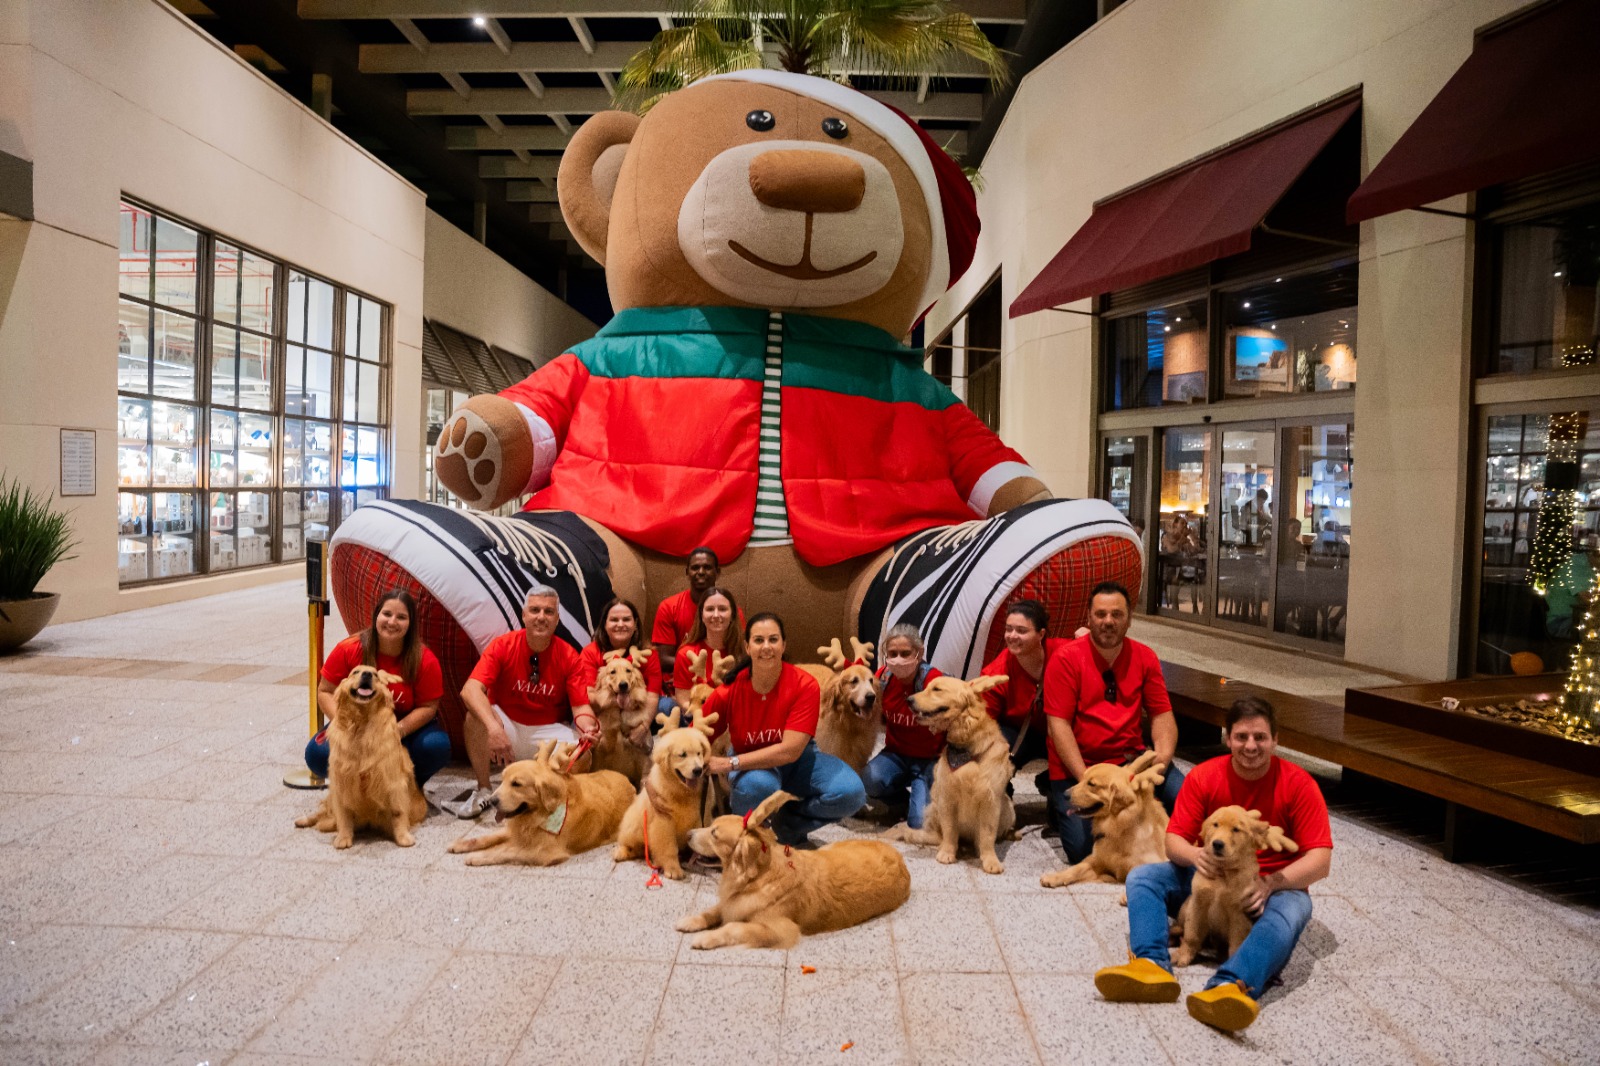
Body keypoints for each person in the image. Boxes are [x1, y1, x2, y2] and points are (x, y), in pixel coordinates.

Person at [1094, 696, 1334, 1033]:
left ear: (1276, 740)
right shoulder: (1205, 776)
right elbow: (1174, 839)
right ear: (1228, 738)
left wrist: (1271, 883)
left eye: (1260, 738)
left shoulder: (1298, 784)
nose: (1251, 746)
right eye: (1241, 737)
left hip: (1269, 886)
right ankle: (1150, 964)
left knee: (1294, 910)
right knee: (1144, 878)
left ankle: (1230, 985)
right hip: (1206, 876)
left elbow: (1320, 861)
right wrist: (1195, 856)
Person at [1043, 581, 1184, 864]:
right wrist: (1089, 782)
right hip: (1080, 768)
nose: (1108, 621)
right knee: (1082, 850)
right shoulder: (1066, 659)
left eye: (1117, 614)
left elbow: (1162, 717)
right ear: (1088, 618)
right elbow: (1058, 726)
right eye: (1101, 614)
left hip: (1130, 764)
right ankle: (1058, 799)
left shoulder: (1145, 657)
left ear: (1129, 619)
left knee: (1187, 800)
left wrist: (1159, 765)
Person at [704, 613, 866, 846]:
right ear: (747, 647)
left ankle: (788, 825)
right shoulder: (728, 691)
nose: (766, 646)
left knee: (851, 793)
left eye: (773, 639)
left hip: (798, 758)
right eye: (758, 640)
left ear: (784, 645)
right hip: (752, 764)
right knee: (759, 786)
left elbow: (790, 751)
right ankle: (746, 837)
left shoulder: (804, 684)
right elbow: (693, 736)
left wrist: (729, 764)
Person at [443, 585, 593, 818]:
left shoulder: (569, 655)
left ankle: (550, 798)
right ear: (524, 615)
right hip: (507, 726)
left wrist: (588, 727)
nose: (541, 617)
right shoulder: (503, 645)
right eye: (534, 610)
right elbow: (470, 690)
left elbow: (581, 707)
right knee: (474, 716)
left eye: (548, 612)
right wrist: (493, 729)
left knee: (584, 754)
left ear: (556, 619)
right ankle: (483, 790)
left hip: (546, 734)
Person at [305, 588, 451, 788]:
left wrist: (396, 731)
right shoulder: (349, 649)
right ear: (376, 616)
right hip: (354, 725)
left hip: (401, 730)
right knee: (317, 755)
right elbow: (325, 691)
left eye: (401, 617)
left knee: (436, 747)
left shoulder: (424, 659)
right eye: (387, 614)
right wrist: (343, 724)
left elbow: (428, 707)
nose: (392, 622)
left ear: (411, 624)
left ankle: (408, 787)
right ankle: (355, 791)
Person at [861, 623, 943, 829]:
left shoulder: (934, 682)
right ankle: (903, 802)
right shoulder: (882, 678)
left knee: (920, 824)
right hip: (896, 754)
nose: (898, 659)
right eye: (893, 653)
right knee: (868, 780)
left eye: (906, 653)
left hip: (930, 759)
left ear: (919, 652)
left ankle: (924, 799)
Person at [980, 600, 1069, 778]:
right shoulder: (996, 673)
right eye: (1008, 629)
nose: (1012, 636)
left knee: (1063, 800)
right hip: (1018, 731)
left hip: (1063, 730)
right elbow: (983, 722)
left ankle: (1050, 783)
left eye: (1021, 631)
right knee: (991, 753)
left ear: (1041, 634)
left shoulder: (1065, 653)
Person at [651, 547, 742, 700]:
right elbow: (661, 659)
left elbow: (739, 655)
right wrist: (692, 670)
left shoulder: (733, 612)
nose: (701, 571)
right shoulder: (669, 607)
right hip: (678, 689)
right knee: (666, 709)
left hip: (723, 685)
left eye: (707, 567)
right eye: (695, 567)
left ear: (717, 572)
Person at [669, 586, 747, 713]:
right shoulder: (687, 654)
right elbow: (683, 701)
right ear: (701, 615)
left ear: (732, 614)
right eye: (710, 609)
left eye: (722, 609)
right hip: (701, 721)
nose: (716, 615)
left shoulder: (744, 652)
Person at [579, 597, 664, 701]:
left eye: (626, 619)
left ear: (635, 624)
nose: (620, 624)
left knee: (666, 705)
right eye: (614, 620)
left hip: (641, 706)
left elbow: (652, 697)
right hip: (603, 708)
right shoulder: (590, 652)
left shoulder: (648, 654)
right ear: (605, 625)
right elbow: (588, 695)